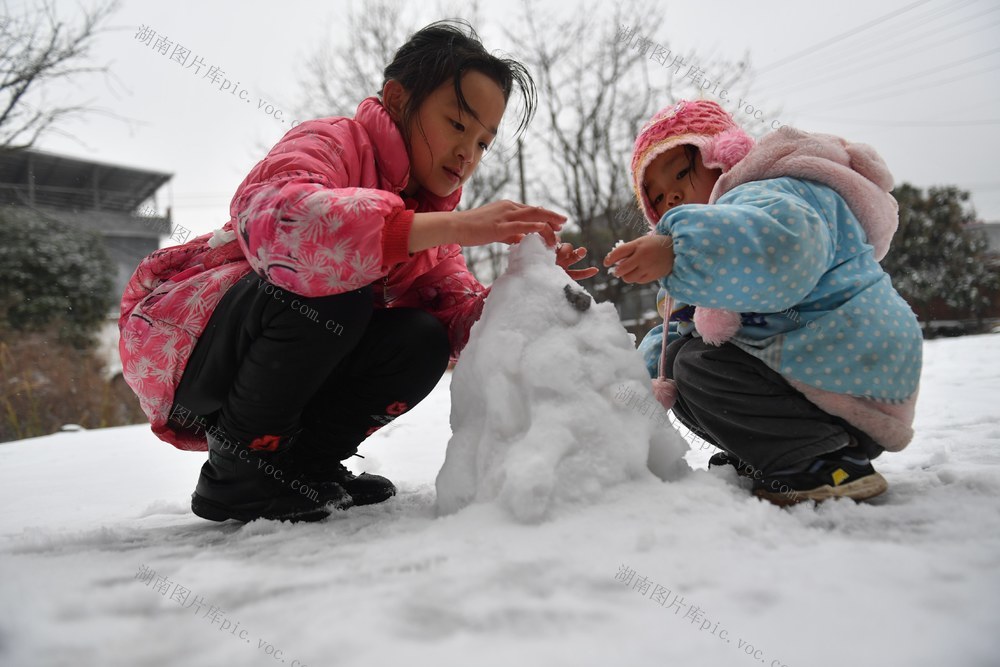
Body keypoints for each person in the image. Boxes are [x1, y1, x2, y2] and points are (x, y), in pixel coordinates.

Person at [119, 20, 596, 523]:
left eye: (482, 143)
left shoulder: (434, 230)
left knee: (422, 336)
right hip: (184, 343)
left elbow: (460, 322)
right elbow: (277, 221)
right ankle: (240, 475)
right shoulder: (331, 141)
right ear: (396, 99)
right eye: (457, 124)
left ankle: (303, 466)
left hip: (268, 360)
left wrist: (526, 286)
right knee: (335, 287)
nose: (467, 153)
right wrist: (453, 223)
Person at [603, 100, 922, 506]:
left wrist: (681, 248)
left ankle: (825, 462)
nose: (674, 197)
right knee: (678, 363)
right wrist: (625, 378)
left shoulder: (775, 192)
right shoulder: (710, 257)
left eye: (682, 173)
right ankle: (777, 453)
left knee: (696, 365)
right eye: (659, 198)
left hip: (849, 363)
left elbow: (781, 249)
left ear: (725, 157)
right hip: (818, 378)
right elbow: (678, 333)